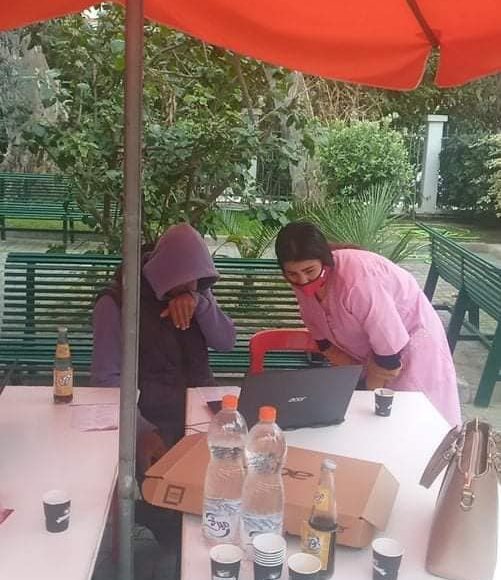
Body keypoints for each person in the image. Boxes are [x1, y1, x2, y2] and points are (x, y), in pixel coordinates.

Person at [275, 221, 461, 426]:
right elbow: (325, 345)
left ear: (325, 261)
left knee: (412, 419)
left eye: (309, 271)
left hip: (413, 344)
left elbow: (389, 359)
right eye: (293, 274)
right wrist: (357, 382)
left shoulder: (357, 280)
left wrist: (366, 394)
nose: (303, 281)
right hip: (374, 355)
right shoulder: (303, 282)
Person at [91, 223, 236, 450]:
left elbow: (226, 342)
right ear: (163, 275)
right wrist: (141, 432)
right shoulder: (116, 303)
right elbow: (105, 380)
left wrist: (200, 304)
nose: (191, 285)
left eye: (196, 280)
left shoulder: (196, 288)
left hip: (199, 408)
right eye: (183, 281)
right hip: (147, 417)